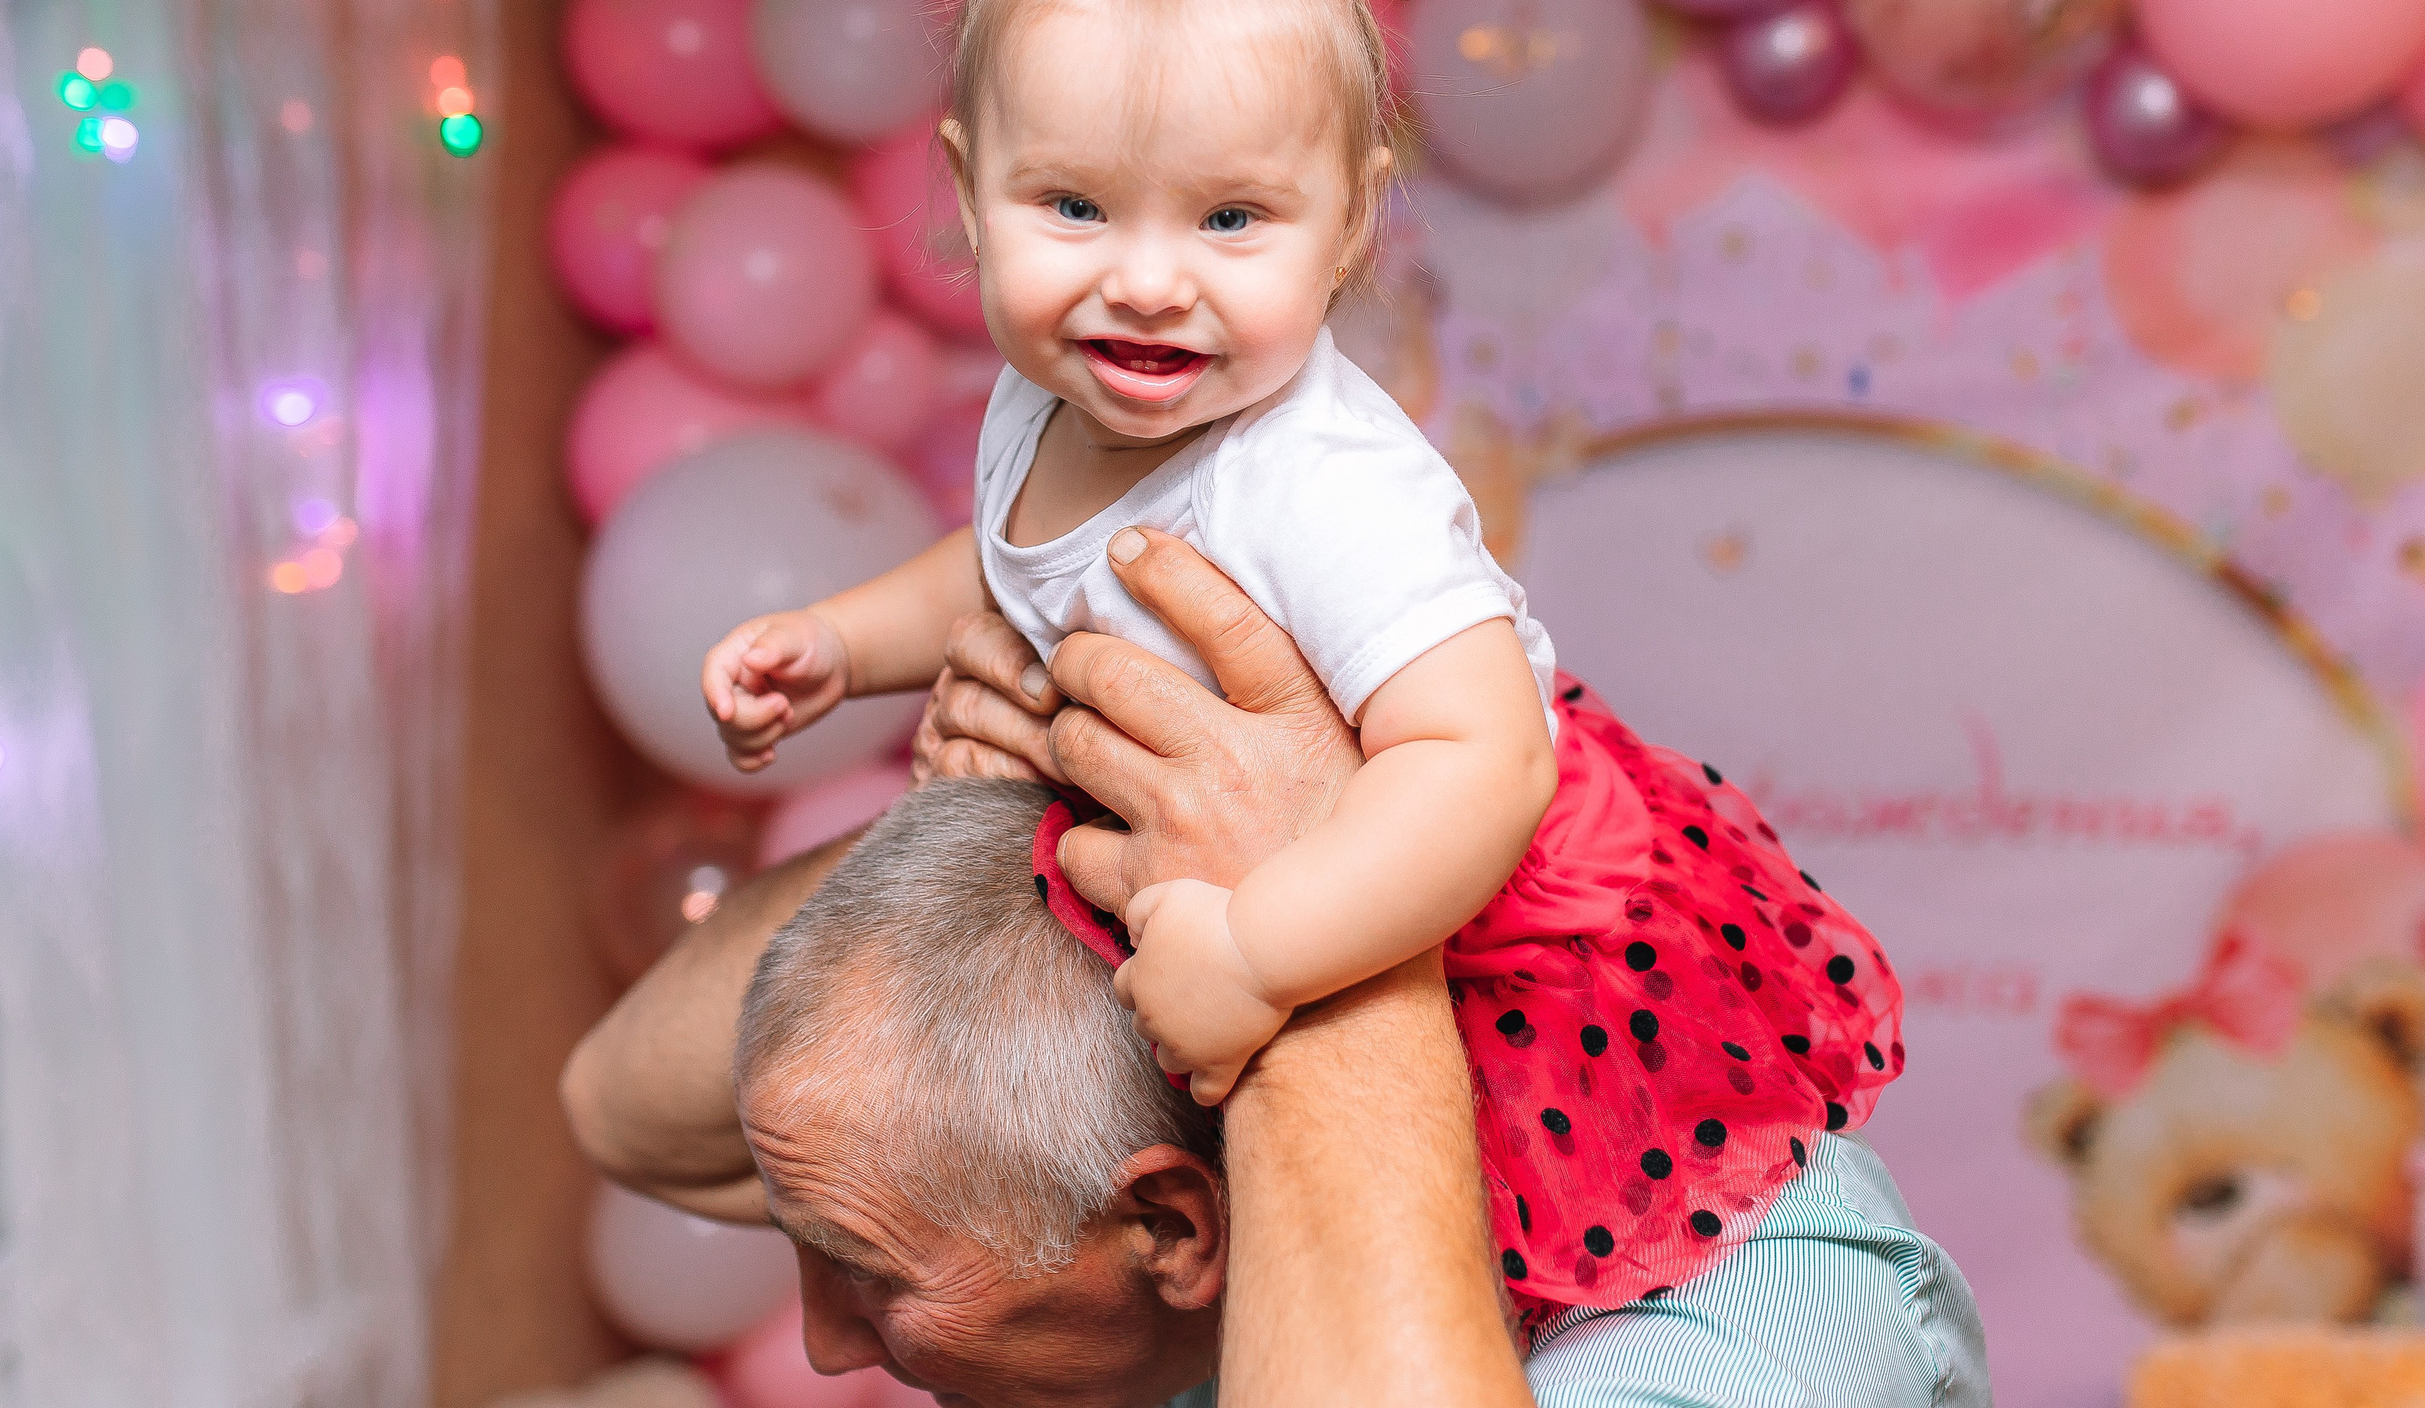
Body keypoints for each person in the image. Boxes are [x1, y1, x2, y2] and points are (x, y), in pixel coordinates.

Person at [690, 0, 1900, 1322]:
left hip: (1487, 935)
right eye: (1071, 205)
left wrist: (1263, 951)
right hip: (1252, 894)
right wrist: (843, 642)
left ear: (1344, 231)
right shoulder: (1061, 393)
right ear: (970, 191)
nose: (1144, 278)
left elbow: (1480, 758)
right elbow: (1003, 555)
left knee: (1532, 1274)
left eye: (1232, 216)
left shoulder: (1317, 485)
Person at [569, 532, 1990, 1408]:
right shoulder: (1195, 1172)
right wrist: (1035, 782)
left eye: (867, 1274)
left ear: (1179, 1231)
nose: (823, 1345)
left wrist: (1315, 927)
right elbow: (625, 1111)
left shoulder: (1780, 1332)